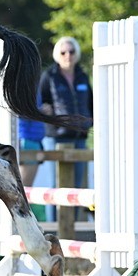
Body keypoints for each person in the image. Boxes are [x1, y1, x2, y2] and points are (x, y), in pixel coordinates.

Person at [37, 36, 93, 188]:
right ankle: (52, 214)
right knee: (56, 187)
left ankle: (75, 214)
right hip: (57, 139)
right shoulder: (49, 76)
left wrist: (90, 121)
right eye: (63, 52)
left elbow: (91, 103)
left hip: (79, 137)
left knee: (76, 188)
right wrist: (46, 112)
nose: (68, 55)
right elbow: (41, 104)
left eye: (71, 51)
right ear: (57, 54)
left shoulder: (83, 76)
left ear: (77, 53)